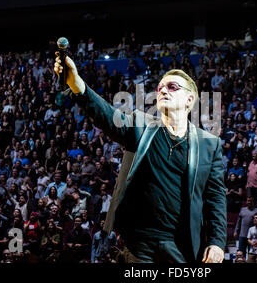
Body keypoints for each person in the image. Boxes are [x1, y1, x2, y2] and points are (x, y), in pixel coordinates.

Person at [53, 55, 226, 263]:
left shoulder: (209, 144)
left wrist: (216, 242)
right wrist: (77, 83)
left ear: (190, 100)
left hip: (182, 246)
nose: (162, 90)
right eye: (160, 87)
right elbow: (106, 115)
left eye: (172, 87)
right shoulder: (141, 124)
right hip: (139, 244)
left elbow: (215, 198)